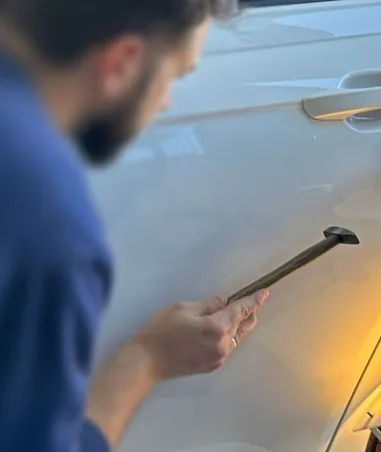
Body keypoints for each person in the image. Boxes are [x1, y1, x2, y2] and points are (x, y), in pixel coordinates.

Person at [0, 0, 267, 451]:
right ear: (121, 63)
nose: (165, 102)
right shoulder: (49, 222)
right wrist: (148, 358)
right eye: (174, 75)